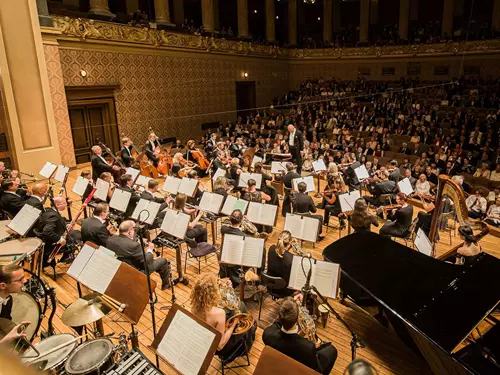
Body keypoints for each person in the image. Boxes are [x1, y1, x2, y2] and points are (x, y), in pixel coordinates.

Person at [262, 296, 337, 375]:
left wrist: (290, 305)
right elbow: (316, 370)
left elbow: (277, 323)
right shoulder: (308, 347)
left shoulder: (267, 334)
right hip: (297, 369)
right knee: (332, 351)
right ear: (298, 318)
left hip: (280, 361)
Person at [190, 273, 255, 358]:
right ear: (213, 292)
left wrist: (229, 290)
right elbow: (220, 346)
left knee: (235, 309)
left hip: (205, 340)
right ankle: (247, 342)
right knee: (241, 306)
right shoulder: (219, 313)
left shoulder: (195, 307)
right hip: (219, 348)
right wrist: (234, 323)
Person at [106, 221, 171, 290]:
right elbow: (147, 261)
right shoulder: (133, 245)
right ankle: (166, 285)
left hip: (118, 269)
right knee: (163, 261)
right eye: (134, 229)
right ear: (129, 232)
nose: (135, 232)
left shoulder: (110, 239)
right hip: (134, 273)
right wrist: (150, 250)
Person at [35, 196, 81, 266]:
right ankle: (67, 256)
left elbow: (58, 221)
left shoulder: (48, 210)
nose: (66, 204)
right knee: (76, 236)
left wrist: (66, 224)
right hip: (50, 244)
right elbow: (47, 231)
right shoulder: (54, 216)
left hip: (45, 240)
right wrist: (60, 239)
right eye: (64, 203)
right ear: (57, 205)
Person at [219, 209, 245, 286]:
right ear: (242, 219)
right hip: (236, 267)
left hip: (224, 264)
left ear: (230, 219)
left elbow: (231, 229)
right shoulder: (243, 236)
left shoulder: (223, 229)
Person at [266, 231, 295, 297]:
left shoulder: (271, 248)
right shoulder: (291, 258)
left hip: (270, 285)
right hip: (284, 290)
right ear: (289, 243)